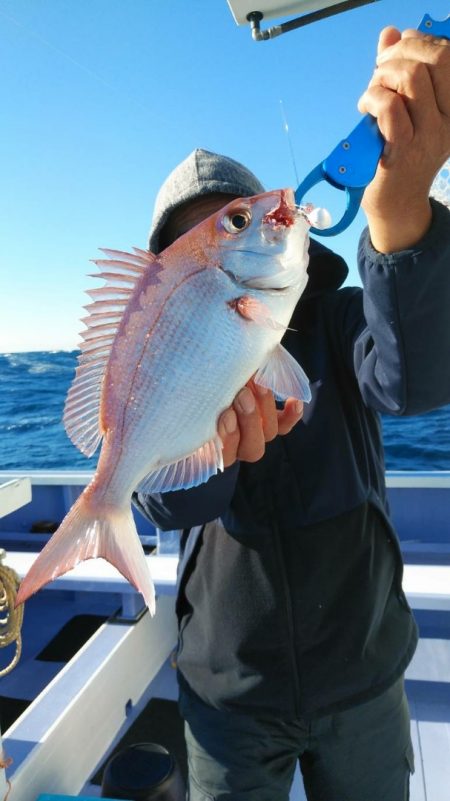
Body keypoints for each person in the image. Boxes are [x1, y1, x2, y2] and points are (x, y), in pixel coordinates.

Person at [134, 27, 450, 801]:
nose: (222, 265)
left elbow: (411, 383)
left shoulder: (340, 321)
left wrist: (401, 214)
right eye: (191, 251)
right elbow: (166, 498)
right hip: (229, 693)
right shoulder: (160, 363)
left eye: (234, 222)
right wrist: (210, 452)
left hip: (364, 670)